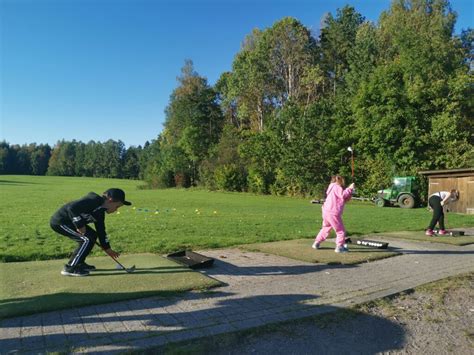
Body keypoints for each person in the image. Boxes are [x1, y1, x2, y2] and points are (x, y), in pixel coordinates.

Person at [50, 188, 131, 276]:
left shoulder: (100, 212)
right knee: (86, 239)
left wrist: (107, 248)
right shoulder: (92, 200)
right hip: (60, 222)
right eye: (117, 206)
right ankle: (71, 268)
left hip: (70, 223)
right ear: (110, 200)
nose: (116, 210)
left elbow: (101, 231)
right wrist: (80, 225)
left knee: (92, 235)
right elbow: (71, 208)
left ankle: (79, 263)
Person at [312, 176, 354, 253]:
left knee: (326, 227)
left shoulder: (331, 186)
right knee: (340, 231)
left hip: (326, 211)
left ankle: (316, 243)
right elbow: (343, 195)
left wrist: (350, 192)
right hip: (333, 212)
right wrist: (350, 188)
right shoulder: (337, 187)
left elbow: (343, 198)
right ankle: (339, 247)